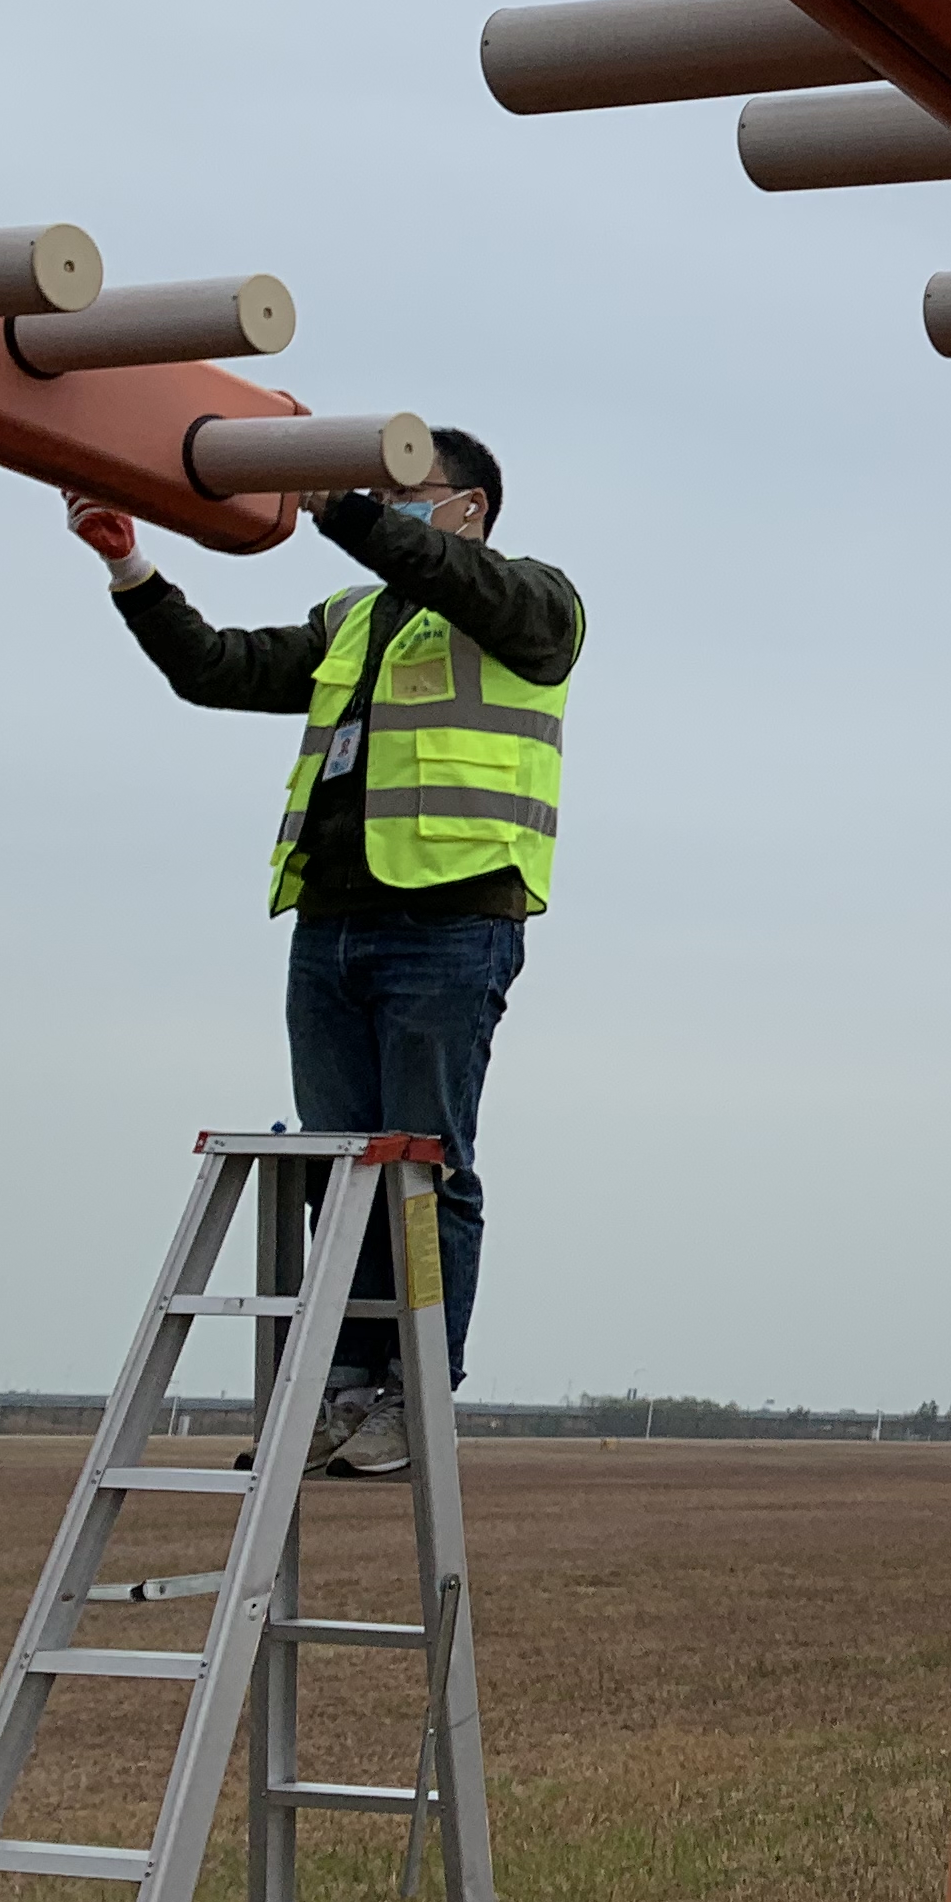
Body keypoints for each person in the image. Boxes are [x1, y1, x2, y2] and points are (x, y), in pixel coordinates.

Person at [64, 432, 582, 1481]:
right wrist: (131, 567)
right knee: (336, 1174)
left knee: (427, 1171)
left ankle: (415, 1390)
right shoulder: (351, 621)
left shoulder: (538, 603)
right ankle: (341, 1387)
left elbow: (444, 574)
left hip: (450, 925)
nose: (382, 513)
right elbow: (215, 669)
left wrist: (341, 507)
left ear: (469, 507)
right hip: (331, 927)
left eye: (404, 496)